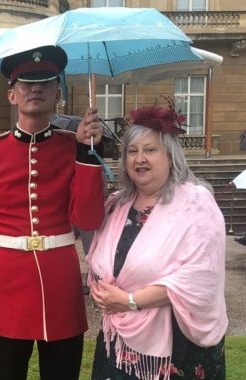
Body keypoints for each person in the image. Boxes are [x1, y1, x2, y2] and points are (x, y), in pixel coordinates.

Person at [0, 45, 105, 380]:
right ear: (12, 95)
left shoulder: (75, 146)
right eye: (26, 83)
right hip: (6, 292)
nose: (35, 89)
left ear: (57, 93)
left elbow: (88, 220)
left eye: (45, 82)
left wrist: (87, 153)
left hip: (61, 288)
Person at [87, 104, 227, 380]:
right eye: (132, 151)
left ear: (170, 156)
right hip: (119, 346)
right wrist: (99, 289)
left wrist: (129, 300)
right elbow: (97, 259)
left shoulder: (195, 203)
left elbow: (200, 278)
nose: (140, 159)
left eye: (150, 150)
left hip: (176, 348)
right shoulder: (117, 205)